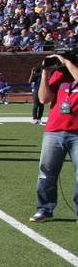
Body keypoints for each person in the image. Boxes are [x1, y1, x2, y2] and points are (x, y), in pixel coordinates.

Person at [31, 53, 78, 222]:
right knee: (46, 173)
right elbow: (44, 98)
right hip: (54, 130)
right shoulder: (58, 75)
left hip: (77, 131)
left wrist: (67, 61)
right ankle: (44, 209)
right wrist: (45, 72)